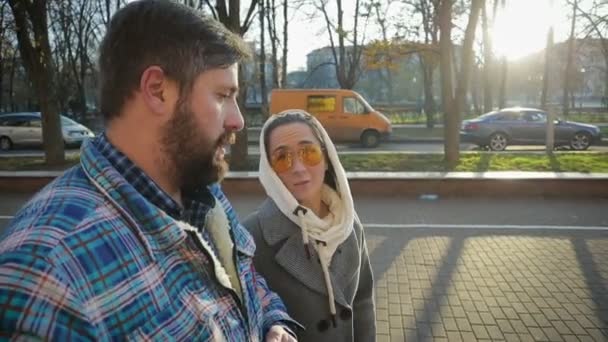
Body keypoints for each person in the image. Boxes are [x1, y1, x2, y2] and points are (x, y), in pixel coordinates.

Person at [0, 1, 298, 340]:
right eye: (223, 94)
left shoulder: (201, 190)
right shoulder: (49, 281)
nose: (238, 120)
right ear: (157, 90)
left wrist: (271, 321)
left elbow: (245, 279)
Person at [243, 110, 376, 341]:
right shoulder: (252, 236)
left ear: (326, 159)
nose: (298, 168)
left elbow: (363, 302)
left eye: (309, 153)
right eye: (282, 158)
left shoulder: (349, 224)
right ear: (270, 171)